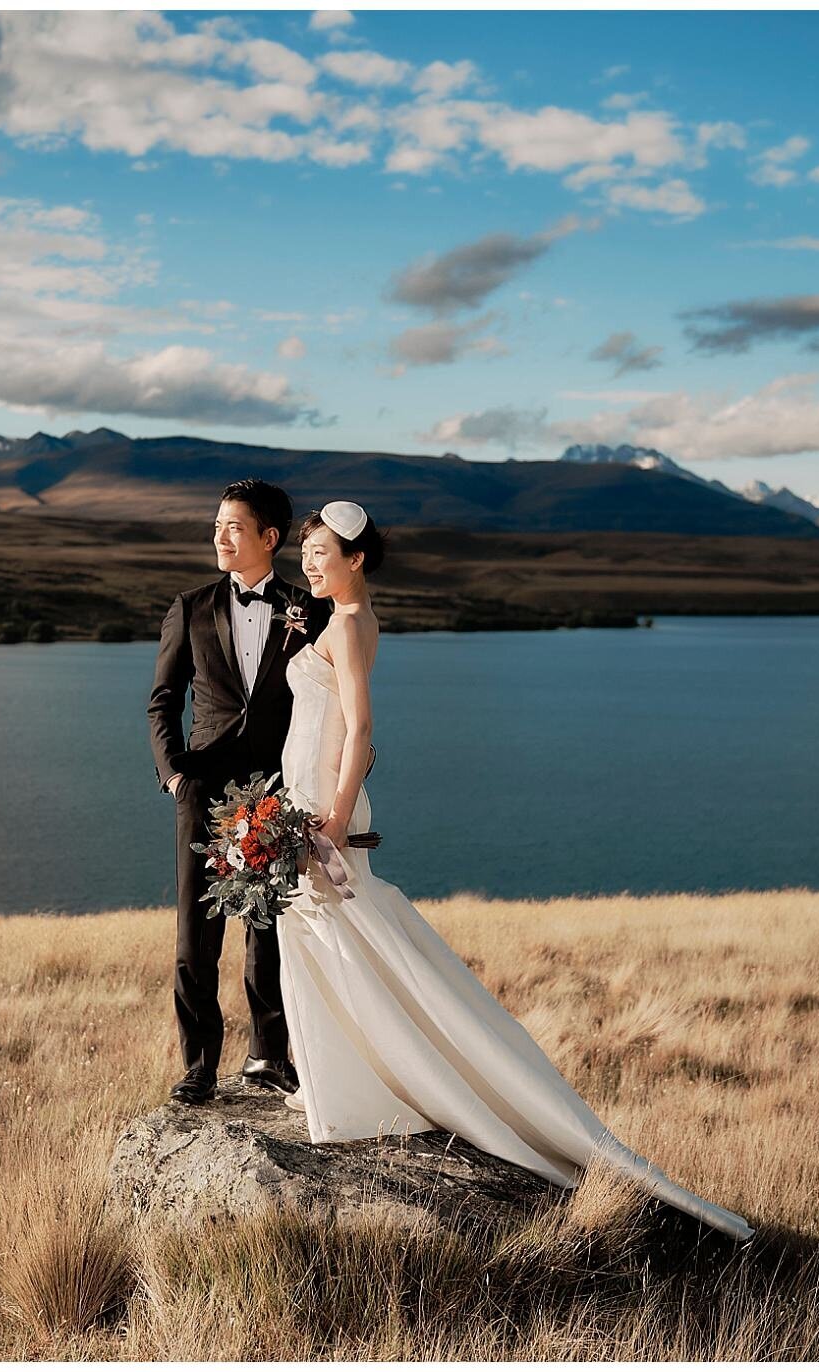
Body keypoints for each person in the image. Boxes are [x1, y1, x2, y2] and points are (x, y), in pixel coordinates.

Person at [272, 498, 756, 1243]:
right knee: (323, 934)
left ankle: (389, 1083)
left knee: (345, 929)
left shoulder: (345, 624)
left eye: (321, 553)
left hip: (324, 803)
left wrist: (334, 817)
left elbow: (362, 727)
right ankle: (343, 1084)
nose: (309, 562)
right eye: (304, 552)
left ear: (357, 558)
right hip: (305, 794)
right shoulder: (342, 619)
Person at [147, 479, 333, 1106]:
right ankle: (198, 1063)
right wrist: (175, 774)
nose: (220, 536)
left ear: (269, 538)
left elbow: (329, 700)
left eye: (233, 526)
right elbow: (163, 703)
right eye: (217, 525)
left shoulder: (308, 609)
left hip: (279, 790)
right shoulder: (190, 607)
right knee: (196, 930)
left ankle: (267, 1057)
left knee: (269, 928)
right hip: (203, 792)